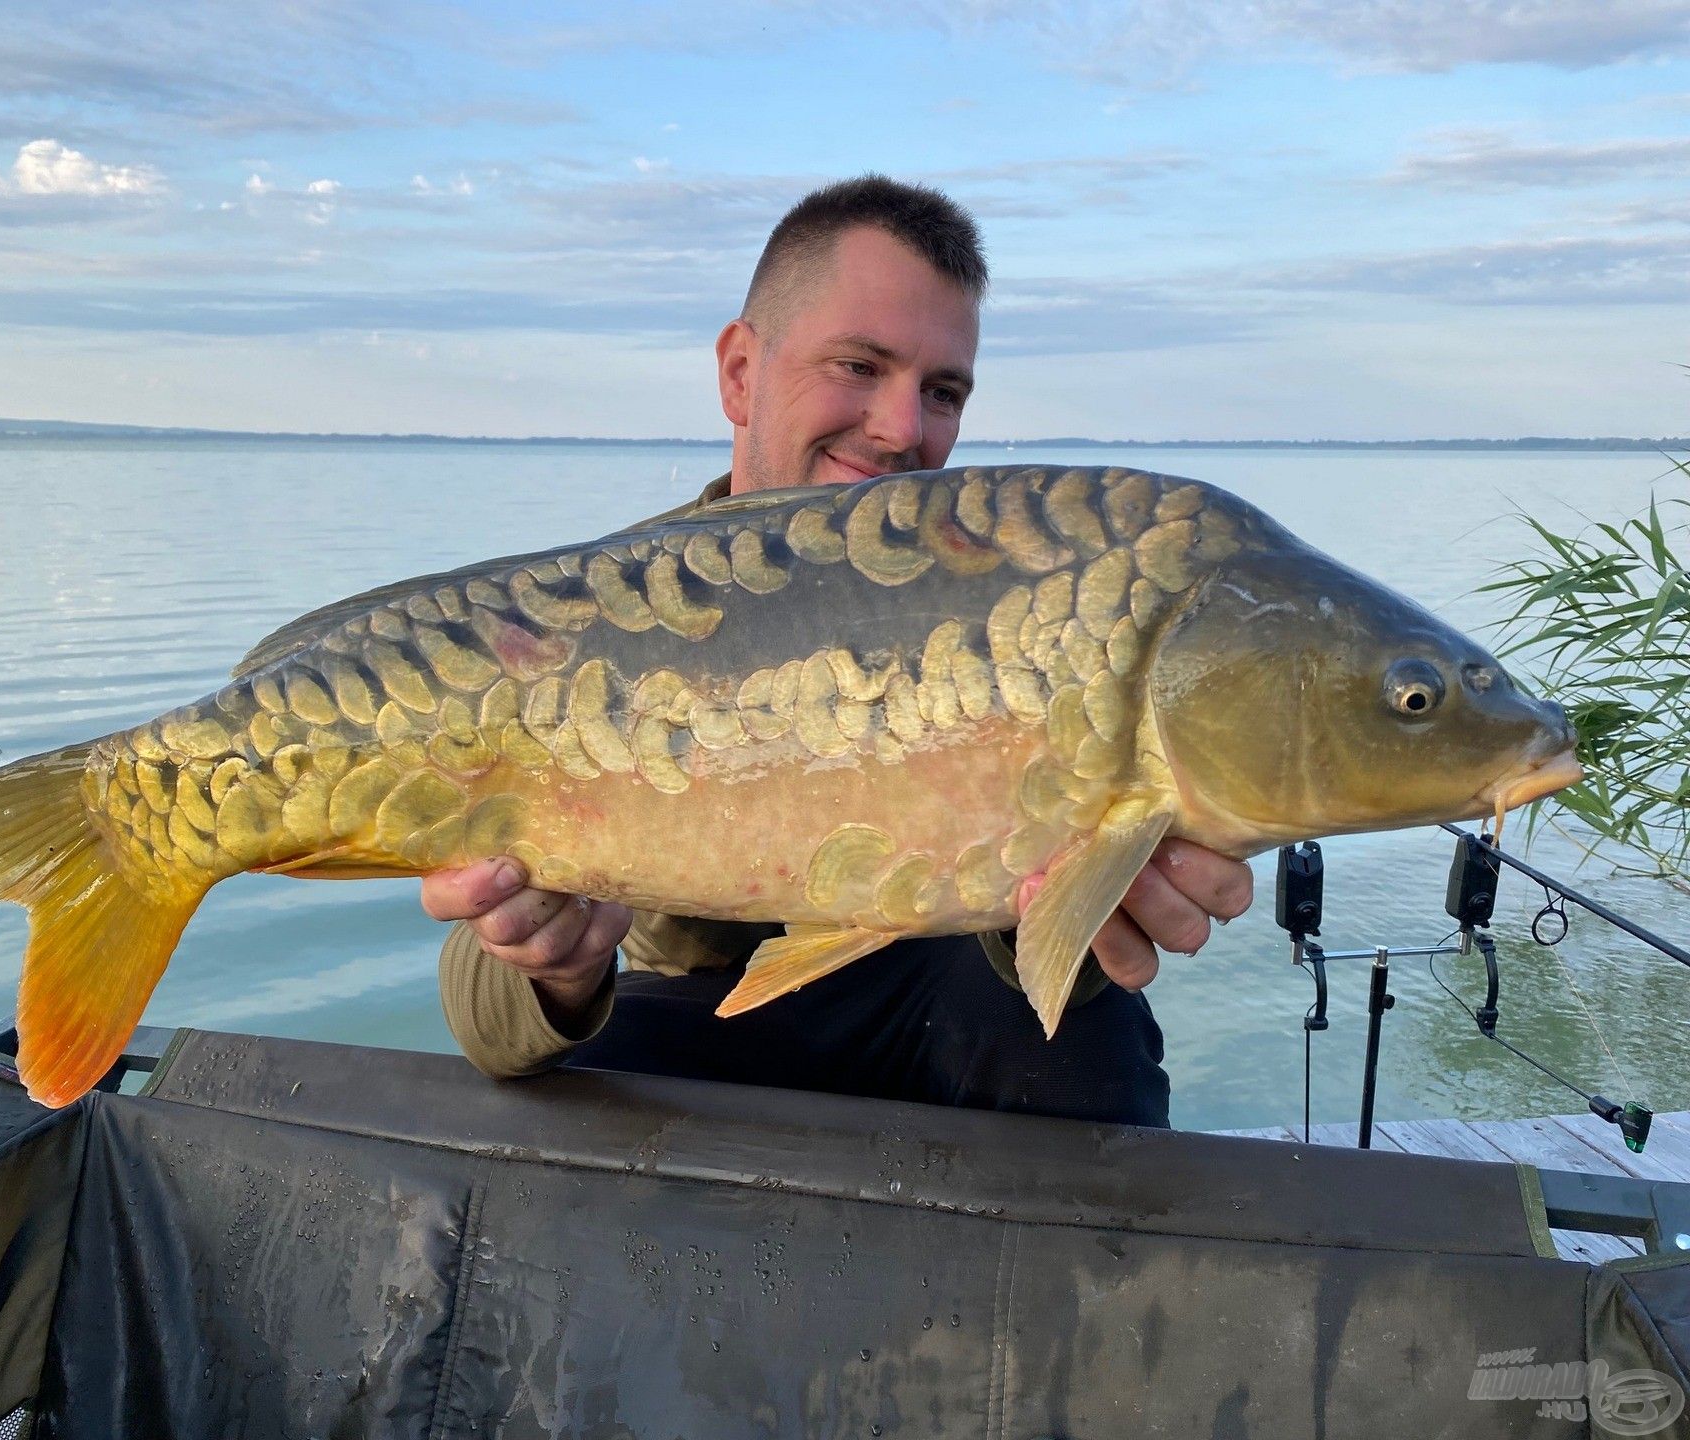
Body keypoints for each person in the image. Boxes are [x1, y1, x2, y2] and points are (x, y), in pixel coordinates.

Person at [422, 176, 1253, 1126]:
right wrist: (556, 971)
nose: (903, 430)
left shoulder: (1028, 607)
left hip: (932, 1005)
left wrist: (1087, 892)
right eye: (859, 366)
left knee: (1075, 1038)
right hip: (694, 1026)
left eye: (941, 391)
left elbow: (1035, 917)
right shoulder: (596, 614)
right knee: (549, 1091)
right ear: (740, 372)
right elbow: (483, 1023)